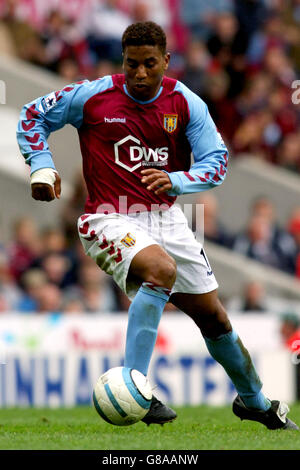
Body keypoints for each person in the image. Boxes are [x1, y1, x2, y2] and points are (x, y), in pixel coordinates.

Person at [16, 21, 298, 430]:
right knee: (161, 270)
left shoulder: (185, 103)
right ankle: (136, 388)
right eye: (132, 64)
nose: (140, 73)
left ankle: (254, 402)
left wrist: (178, 180)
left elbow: (217, 162)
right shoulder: (93, 95)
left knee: (214, 318)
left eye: (150, 64)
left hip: (166, 218)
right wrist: (42, 167)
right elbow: (32, 114)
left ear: (166, 60)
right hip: (107, 217)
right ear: (123, 61)